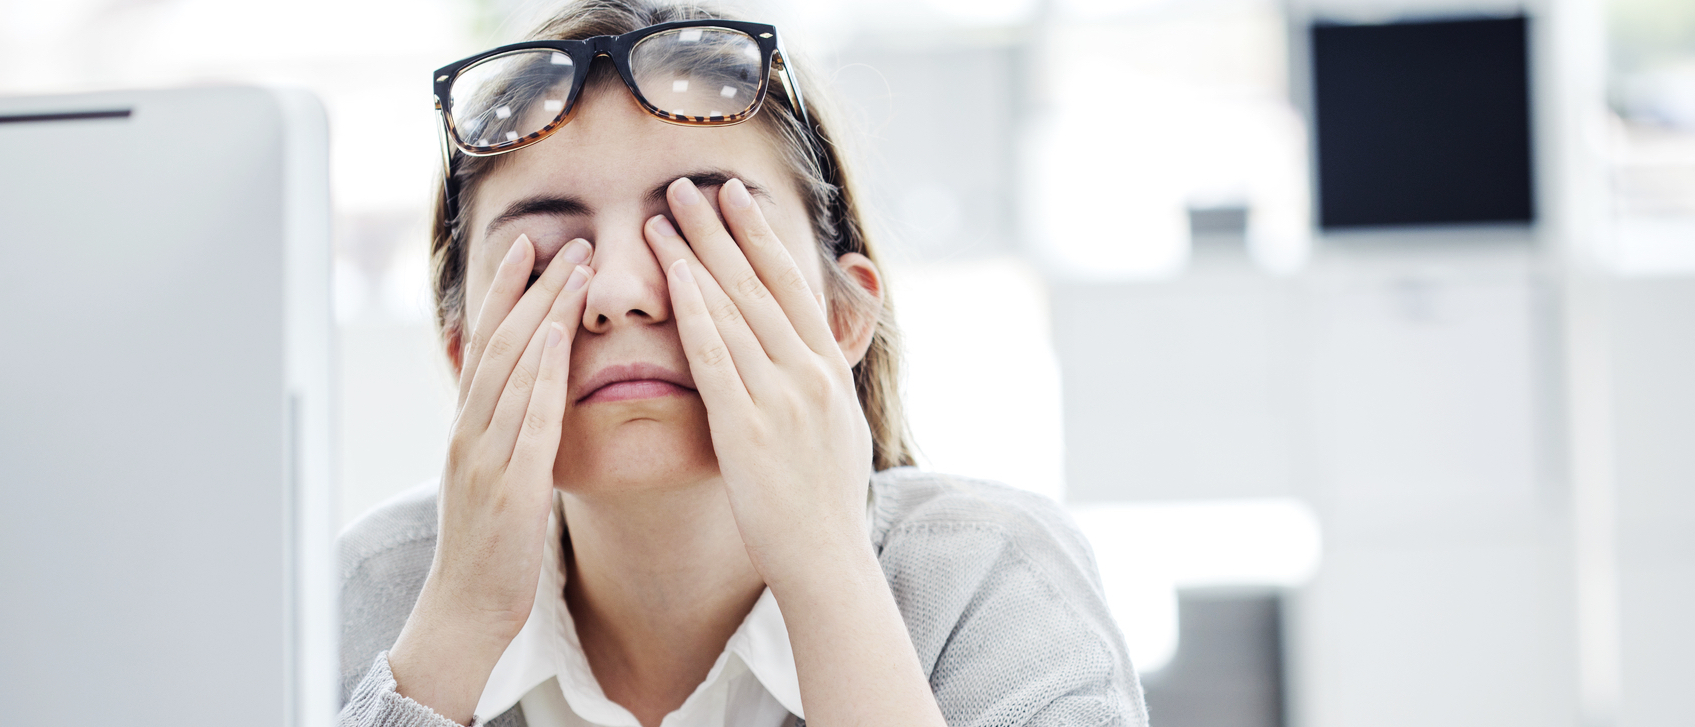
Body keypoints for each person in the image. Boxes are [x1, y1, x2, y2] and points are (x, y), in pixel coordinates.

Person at [337, 2, 1147, 726]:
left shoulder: (990, 582)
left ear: (839, 317)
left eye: (701, 232)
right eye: (546, 255)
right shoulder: (368, 595)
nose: (618, 291)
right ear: (464, 353)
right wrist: (456, 626)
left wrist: (827, 572)